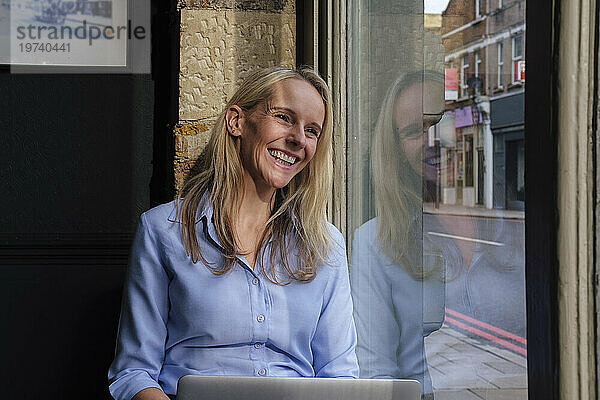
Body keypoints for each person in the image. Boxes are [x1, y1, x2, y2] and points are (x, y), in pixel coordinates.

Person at [108, 66, 359, 400]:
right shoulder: (162, 231)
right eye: (284, 118)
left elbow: (340, 375)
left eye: (312, 130)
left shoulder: (326, 245)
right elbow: (133, 373)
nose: (299, 138)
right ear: (237, 121)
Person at [350, 71, 445, 399]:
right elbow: (377, 372)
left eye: (440, 121)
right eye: (413, 131)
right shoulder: (375, 243)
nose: (433, 140)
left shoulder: (520, 228)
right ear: (397, 149)